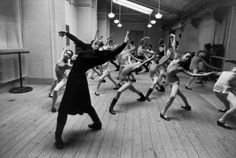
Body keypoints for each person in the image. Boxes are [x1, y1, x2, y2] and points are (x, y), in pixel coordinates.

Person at [54, 30, 130, 149]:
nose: (96, 42)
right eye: (96, 41)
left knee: (64, 109)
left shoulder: (99, 57)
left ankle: (58, 138)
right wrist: (67, 34)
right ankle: (97, 123)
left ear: (101, 46)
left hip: (76, 82)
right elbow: (77, 40)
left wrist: (124, 43)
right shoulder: (88, 48)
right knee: (86, 105)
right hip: (78, 81)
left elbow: (114, 52)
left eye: (99, 42)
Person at [160, 52, 215, 121]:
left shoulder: (181, 68)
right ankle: (187, 106)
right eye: (186, 56)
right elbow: (173, 47)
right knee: (180, 94)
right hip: (169, 81)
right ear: (183, 55)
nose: (186, 58)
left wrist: (206, 74)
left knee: (173, 96)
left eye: (188, 58)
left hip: (175, 82)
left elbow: (193, 75)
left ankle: (163, 112)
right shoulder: (175, 58)